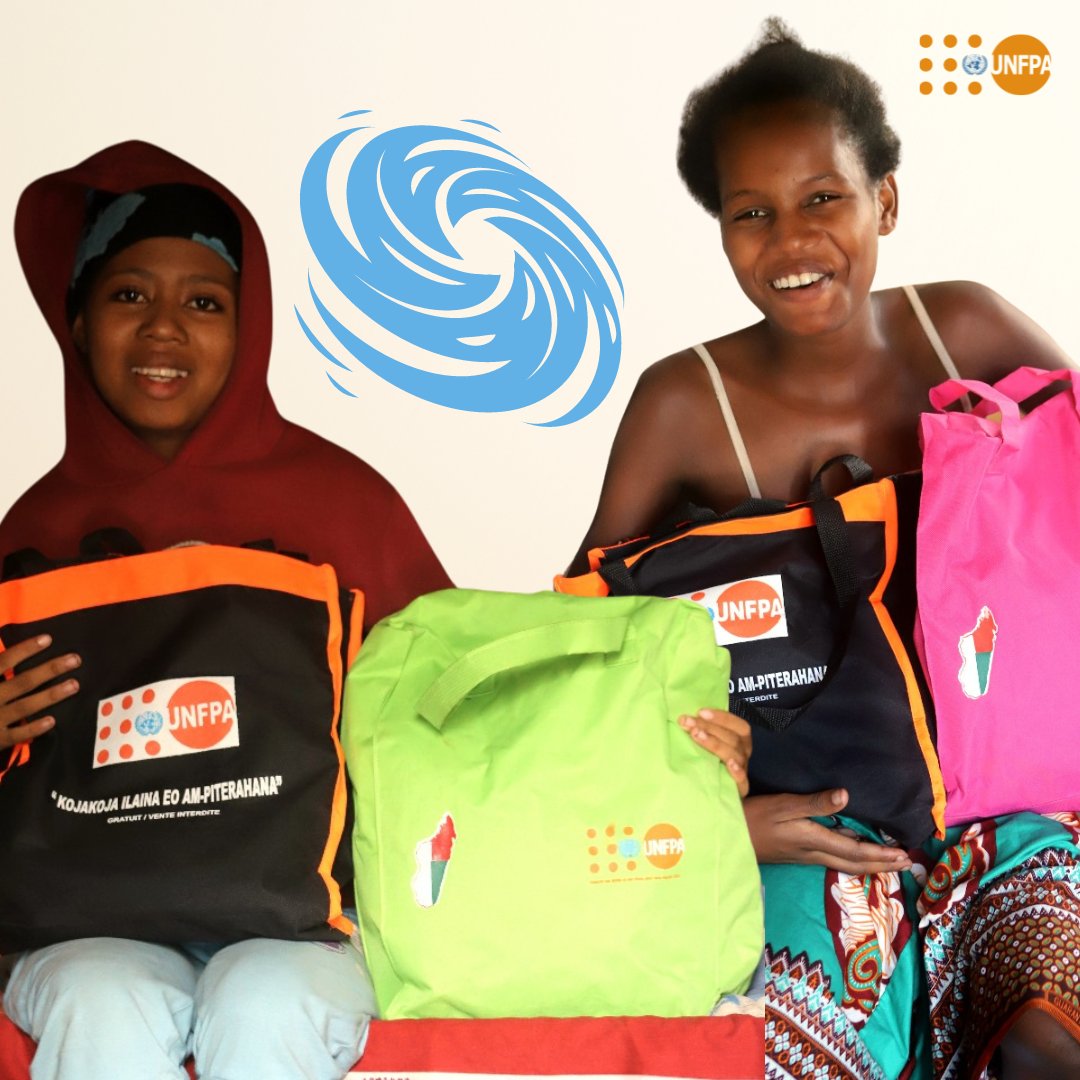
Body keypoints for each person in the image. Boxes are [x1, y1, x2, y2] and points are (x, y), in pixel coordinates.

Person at [569, 21, 1080, 1080]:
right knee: (802, 1051)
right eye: (751, 213)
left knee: (1047, 1035)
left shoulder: (968, 330)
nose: (790, 241)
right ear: (719, 231)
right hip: (821, 842)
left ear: (884, 200)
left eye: (823, 199)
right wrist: (727, 823)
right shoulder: (682, 408)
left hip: (1014, 814)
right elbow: (589, 673)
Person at [0, 141, 452, 1080]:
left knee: (265, 1000)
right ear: (76, 320)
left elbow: (456, 704)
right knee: (97, 998)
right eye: (129, 296)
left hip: (304, 928)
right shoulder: (31, 531)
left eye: (203, 303)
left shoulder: (342, 503)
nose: (164, 331)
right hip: (85, 926)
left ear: (248, 331)